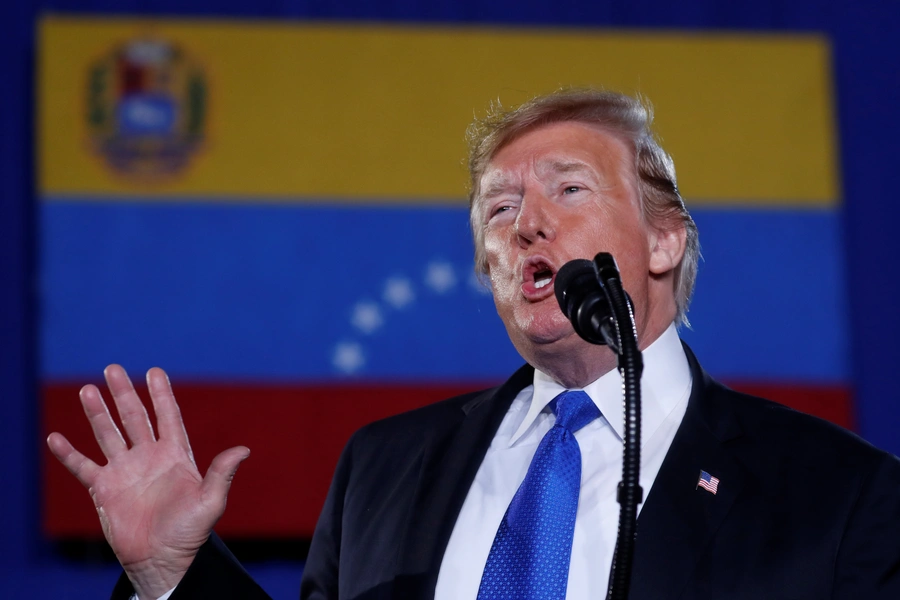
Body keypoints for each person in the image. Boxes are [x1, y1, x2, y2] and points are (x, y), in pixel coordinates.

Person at [48, 89, 900, 600]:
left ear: (665, 241)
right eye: (498, 209)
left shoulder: (840, 496)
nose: (528, 222)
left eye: (569, 189)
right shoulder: (380, 471)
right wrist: (173, 573)